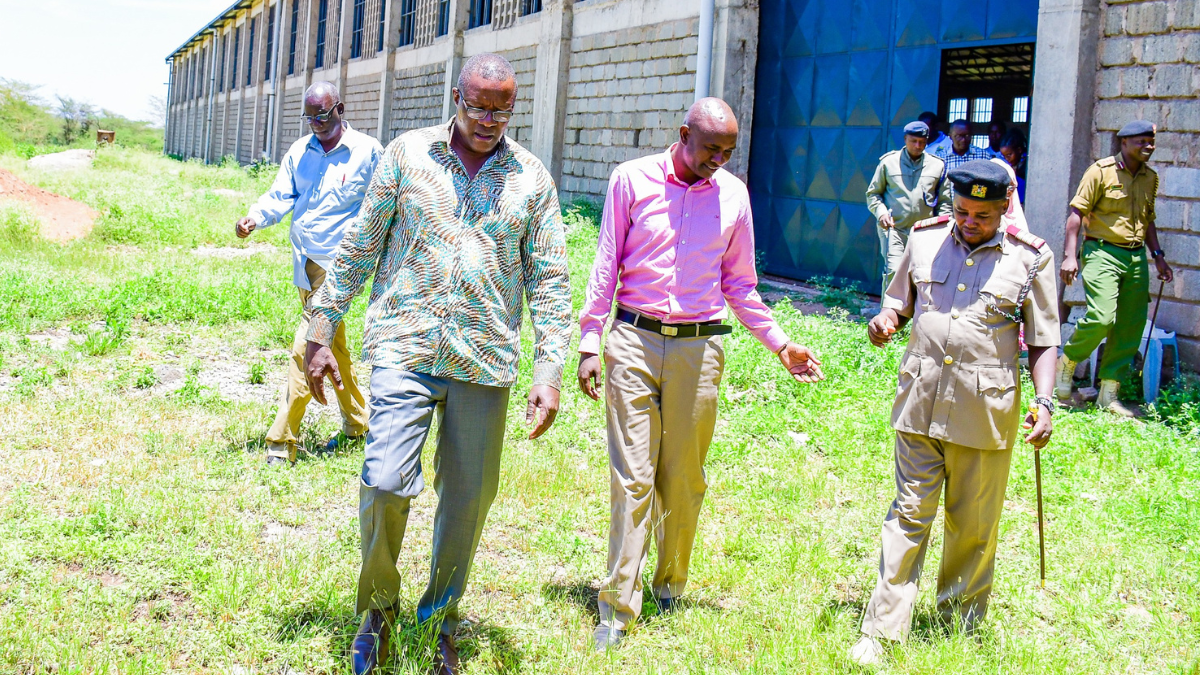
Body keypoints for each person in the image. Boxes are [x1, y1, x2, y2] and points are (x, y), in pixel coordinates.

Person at [302, 53, 572, 675]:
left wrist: (548, 369)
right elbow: (361, 243)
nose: (487, 120)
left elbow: (552, 280)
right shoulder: (406, 155)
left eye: (500, 110)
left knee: (468, 500)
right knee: (385, 480)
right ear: (456, 97)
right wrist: (322, 326)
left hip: (483, 361)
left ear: (513, 108)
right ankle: (377, 612)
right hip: (405, 345)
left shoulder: (531, 179)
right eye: (476, 106)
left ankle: (440, 618)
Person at [578, 97, 826, 651]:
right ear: (683, 134)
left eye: (728, 152)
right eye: (711, 148)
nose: (720, 159)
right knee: (633, 477)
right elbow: (605, 265)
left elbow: (740, 284)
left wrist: (780, 344)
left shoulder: (733, 196)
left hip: (700, 348)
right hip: (634, 341)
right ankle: (618, 606)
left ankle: (669, 583)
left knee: (684, 479)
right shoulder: (632, 180)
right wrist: (590, 342)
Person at [851, 160, 1060, 666]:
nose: (969, 222)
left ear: (1006, 206)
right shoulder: (924, 239)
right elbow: (899, 302)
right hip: (920, 401)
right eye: (963, 211)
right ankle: (882, 631)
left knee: (973, 522)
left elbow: (1045, 339)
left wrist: (1045, 402)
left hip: (984, 410)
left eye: (983, 216)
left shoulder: (1031, 257)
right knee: (906, 515)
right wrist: (885, 319)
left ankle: (957, 623)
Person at [236, 81, 381, 466]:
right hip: (306, 262)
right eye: (310, 116)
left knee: (306, 345)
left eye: (323, 114)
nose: (316, 122)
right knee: (334, 348)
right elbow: (281, 195)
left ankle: (282, 439)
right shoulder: (300, 152)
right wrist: (255, 217)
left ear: (340, 109)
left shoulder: (367, 152)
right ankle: (358, 423)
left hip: (341, 265)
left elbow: (385, 202)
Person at [1055, 120, 1173, 415]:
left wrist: (1157, 255)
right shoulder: (1100, 171)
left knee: (1131, 325)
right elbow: (1076, 215)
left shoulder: (1150, 177)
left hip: (1135, 258)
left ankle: (1109, 395)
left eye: (1151, 142)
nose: (1148, 147)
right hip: (1102, 252)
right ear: (1124, 143)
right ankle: (1067, 361)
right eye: (1141, 142)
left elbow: (1148, 221)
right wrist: (1070, 256)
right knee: (1102, 317)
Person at [865, 121, 952, 296]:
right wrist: (881, 213)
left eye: (922, 142)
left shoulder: (938, 166)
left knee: (922, 273)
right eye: (913, 141)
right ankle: (888, 316)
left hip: (924, 231)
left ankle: (915, 315)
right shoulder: (888, 163)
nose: (918, 146)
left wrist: (942, 227)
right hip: (894, 228)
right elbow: (873, 194)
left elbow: (945, 201)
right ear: (905, 139)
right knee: (894, 270)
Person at [998, 129, 1028, 204]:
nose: (1007, 159)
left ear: (1019, 150)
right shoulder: (1011, 165)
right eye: (1004, 156)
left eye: (1009, 155)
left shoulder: (1027, 166)